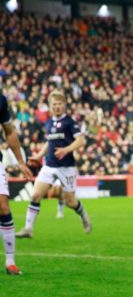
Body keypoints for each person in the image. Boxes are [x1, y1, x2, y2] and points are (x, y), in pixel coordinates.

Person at [16, 90, 92, 239]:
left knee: (70, 202)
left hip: (66, 167)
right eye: (54, 104)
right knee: (36, 195)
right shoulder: (49, 122)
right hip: (49, 165)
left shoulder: (69, 122)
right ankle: (28, 229)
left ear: (64, 105)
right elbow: (49, 142)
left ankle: (84, 216)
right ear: (50, 107)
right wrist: (38, 156)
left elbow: (81, 140)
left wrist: (66, 149)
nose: (57, 107)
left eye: (60, 104)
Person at [0, 93, 33, 275]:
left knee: (3, 206)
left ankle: (10, 261)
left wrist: (20, 161)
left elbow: (10, 131)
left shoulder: (0, 99)